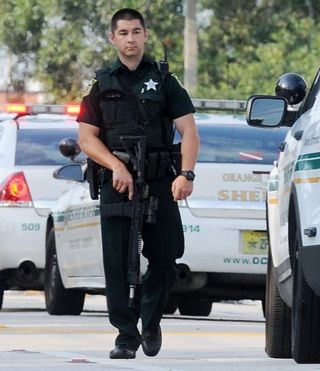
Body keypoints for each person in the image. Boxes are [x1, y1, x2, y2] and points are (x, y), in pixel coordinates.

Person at [77, 8, 199, 359]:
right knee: (117, 262)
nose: (130, 39)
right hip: (116, 183)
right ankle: (125, 336)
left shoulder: (165, 81)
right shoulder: (101, 84)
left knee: (166, 257)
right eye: (124, 33)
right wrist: (116, 165)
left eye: (136, 32)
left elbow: (188, 130)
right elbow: (87, 138)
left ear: (146, 35)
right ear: (113, 39)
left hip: (160, 179)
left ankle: (151, 318)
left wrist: (186, 174)